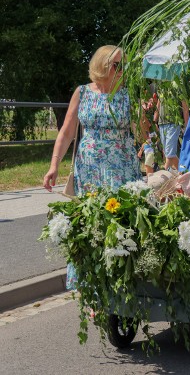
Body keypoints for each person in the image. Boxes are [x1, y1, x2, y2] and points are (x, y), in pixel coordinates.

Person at [43, 45, 142, 289]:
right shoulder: (83, 92)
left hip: (122, 166)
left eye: (123, 65)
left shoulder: (128, 93)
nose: (121, 70)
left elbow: (141, 132)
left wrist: (145, 117)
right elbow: (66, 132)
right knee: (91, 222)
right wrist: (54, 165)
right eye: (117, 65)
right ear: (103, 65)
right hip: (89, 168)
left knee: (121, 222)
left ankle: (122, 280)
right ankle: (90, 281)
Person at [155, 86, 189, 170]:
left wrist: (187, 124)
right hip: (162, 123)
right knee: (168, 153)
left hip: (174, 122)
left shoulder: (179, 87)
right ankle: (183, 172)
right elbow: (159, 103)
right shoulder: (161, 88)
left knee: (169, 153)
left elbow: (185, 107)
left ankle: (164, 173)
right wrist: (155, 117)